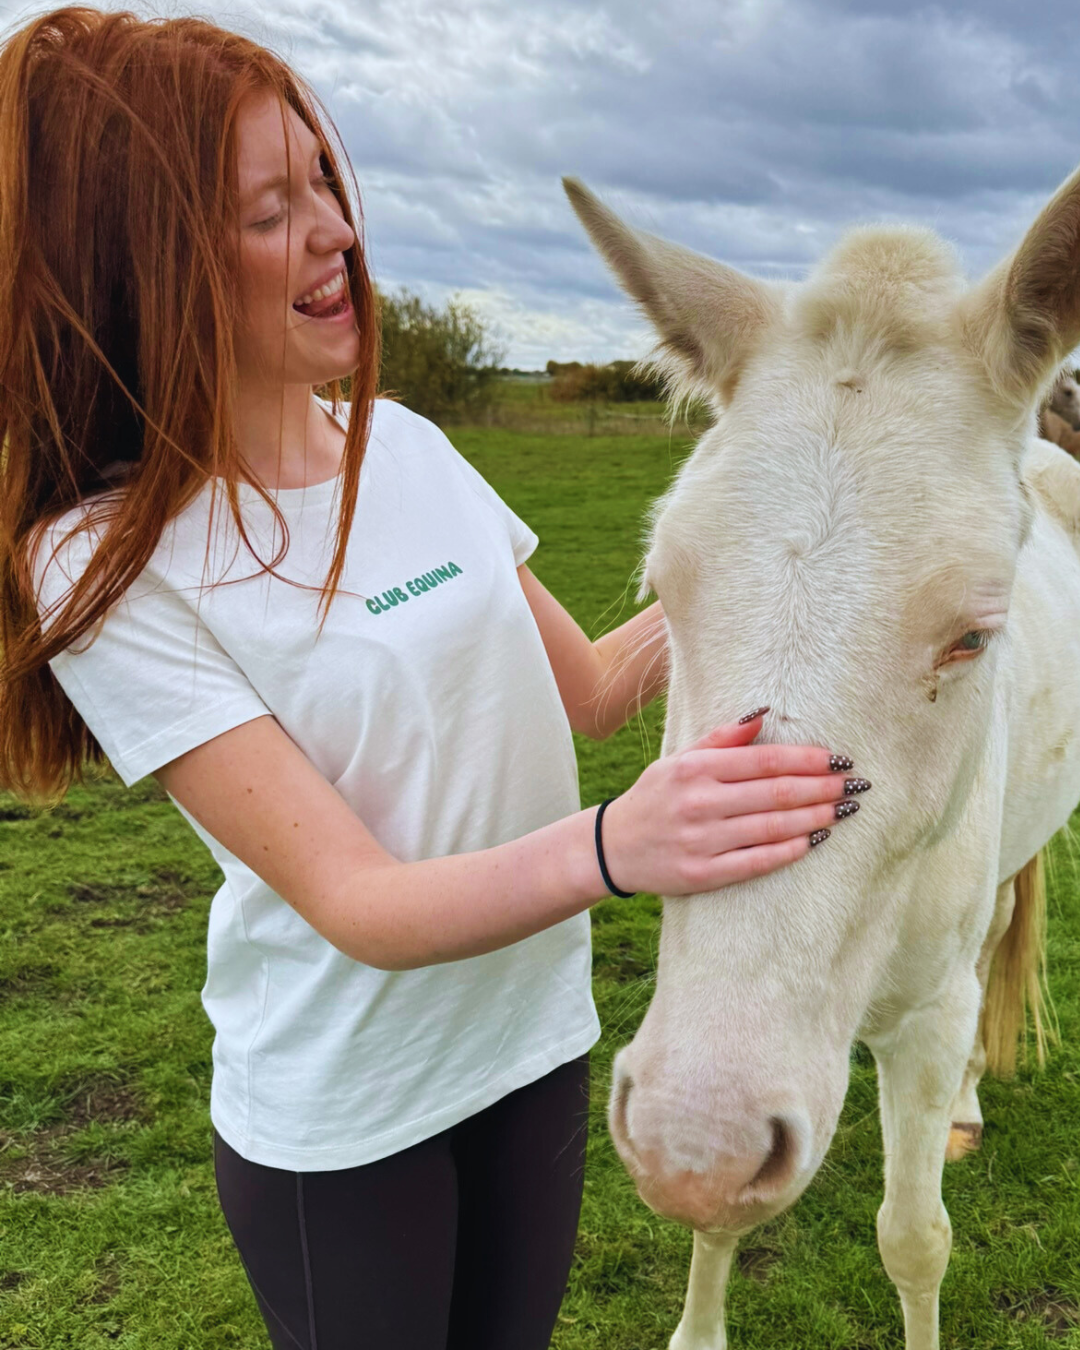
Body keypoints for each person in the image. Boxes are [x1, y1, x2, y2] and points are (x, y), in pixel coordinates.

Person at [0, 10, 868, 1349]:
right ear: (144, 265)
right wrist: (619, 842)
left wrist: (786, 551)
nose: (338, 233)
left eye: (329, 185)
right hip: (347, 1120)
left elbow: (585, 686)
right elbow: (359, 899)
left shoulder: (398, 446)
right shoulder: (104, 560)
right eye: (270, 210)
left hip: (531, 1046)